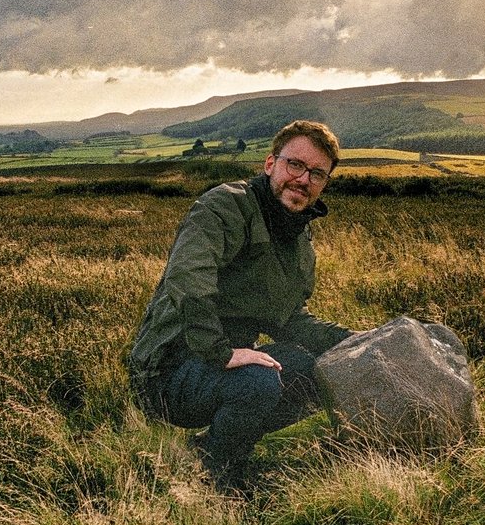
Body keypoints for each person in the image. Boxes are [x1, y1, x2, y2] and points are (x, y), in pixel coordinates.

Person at [127, 120, 353, 493]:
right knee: (258, 382)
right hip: (167, 369)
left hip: (224, 365)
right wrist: (222, 353)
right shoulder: (225, 206)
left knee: (314, 373)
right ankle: (218, 480)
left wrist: (360, 342)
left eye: (316, 174)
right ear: (270, 164)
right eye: (295, 165)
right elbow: (187, 278)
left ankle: (216, 446)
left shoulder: (297, 239)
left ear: (324, 184)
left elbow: (290, 321)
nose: (303, 179)